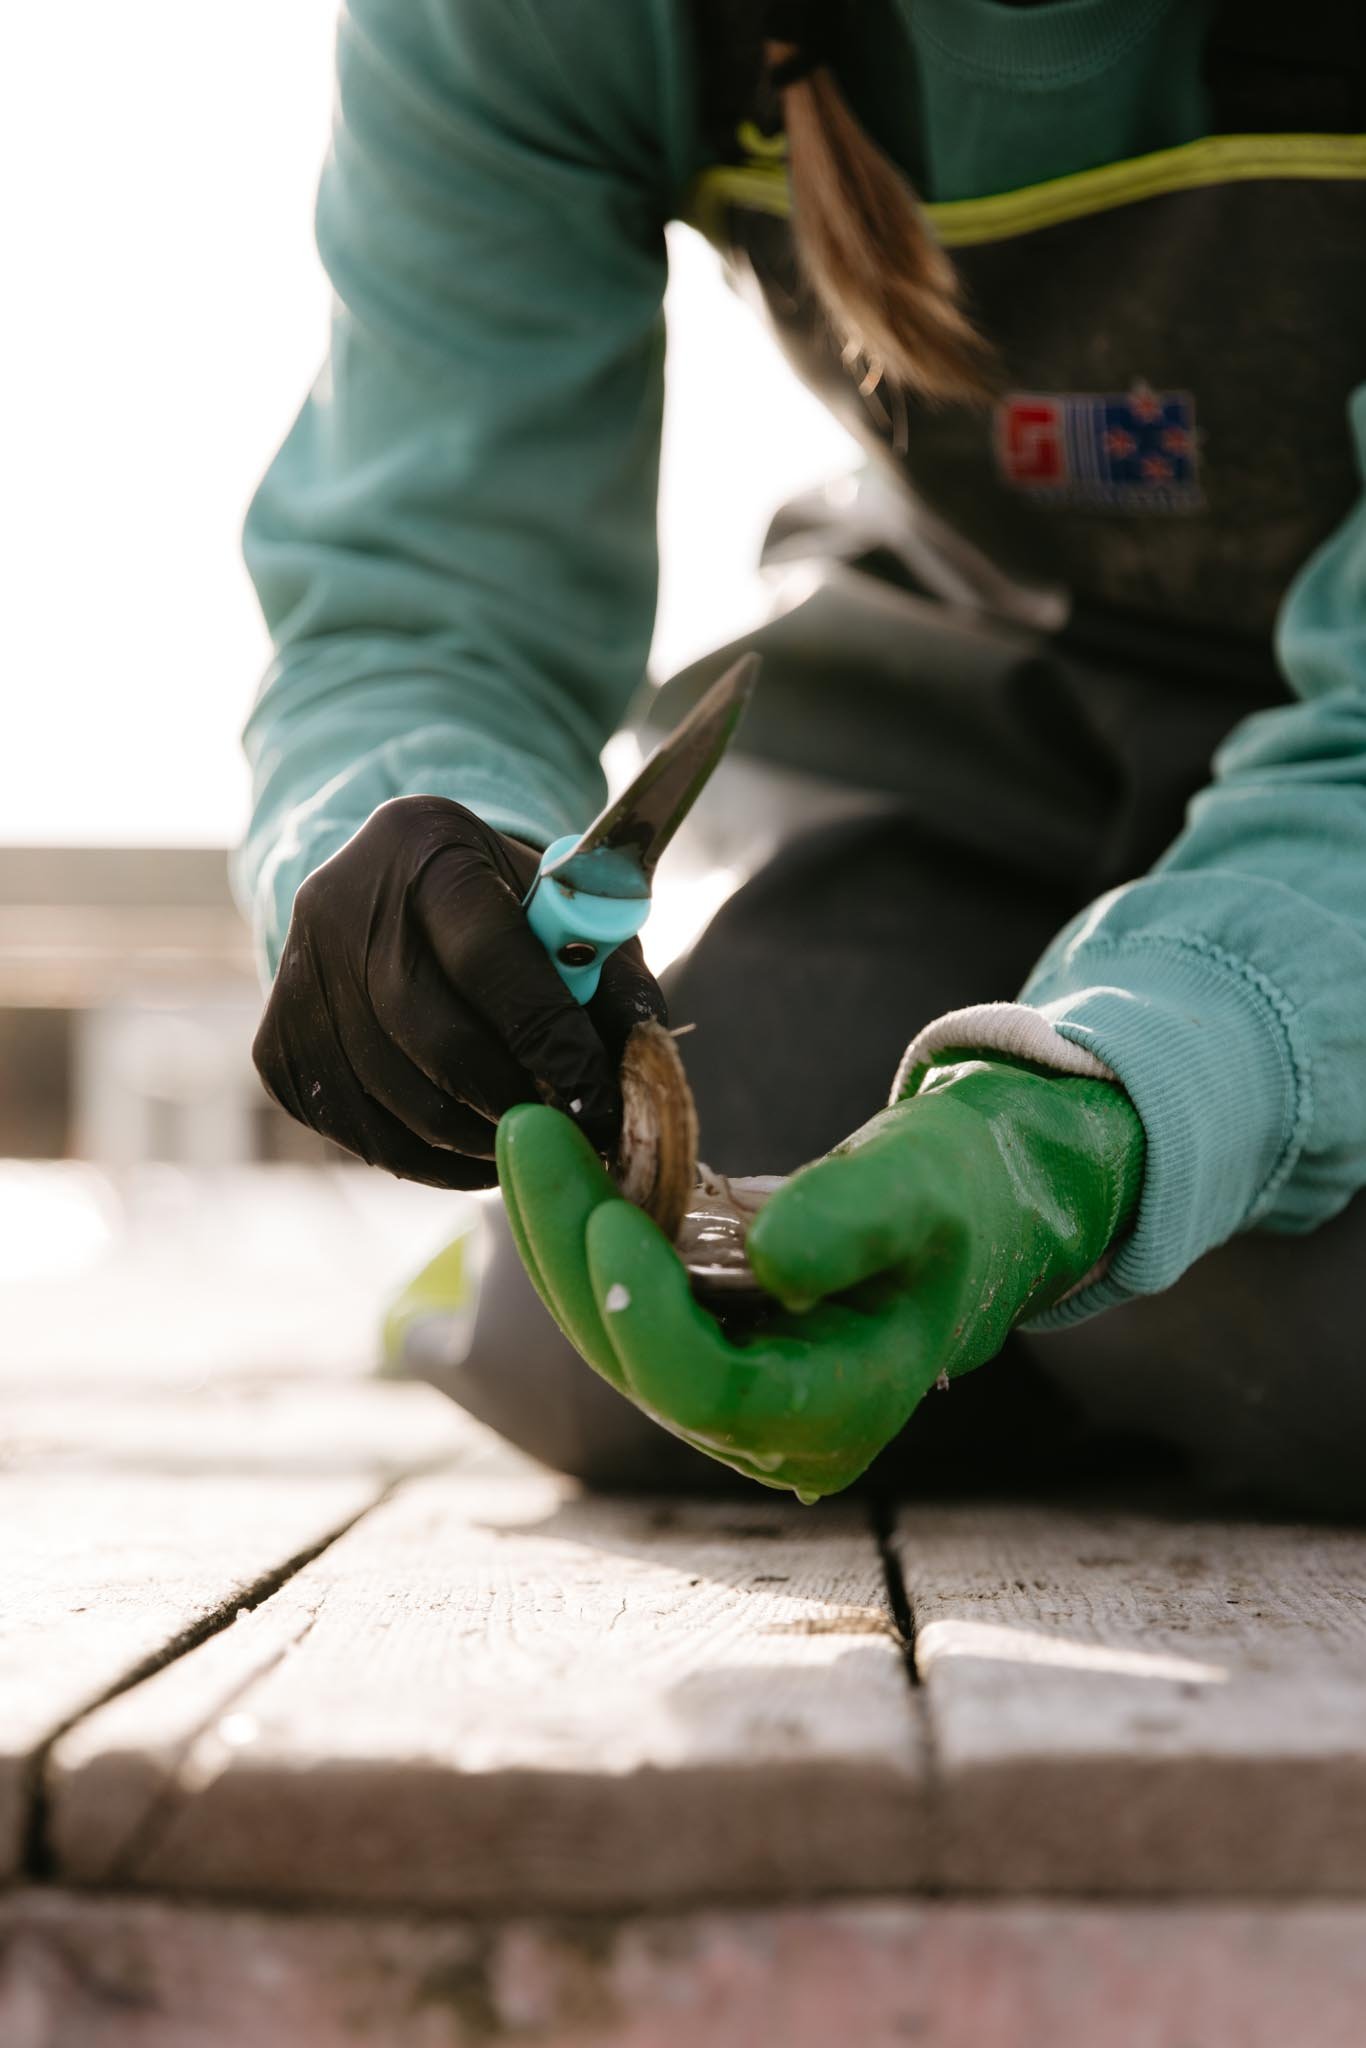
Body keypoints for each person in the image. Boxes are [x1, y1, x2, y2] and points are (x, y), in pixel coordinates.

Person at [239, 0, 1366, 1516]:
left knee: (1308, 1349)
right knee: (626, 1335)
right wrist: (403, 838)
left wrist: (1096, 1125)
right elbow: (426, 599)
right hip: (977, 706)